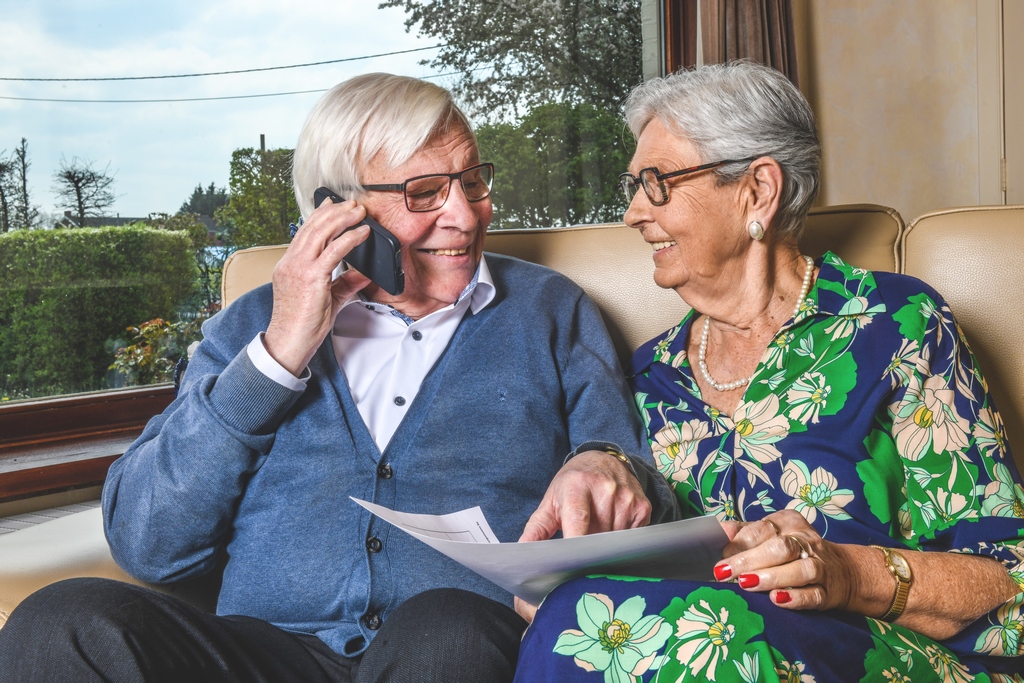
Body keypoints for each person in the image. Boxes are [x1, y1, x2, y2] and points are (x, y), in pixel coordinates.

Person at [0, 73, 677, 683]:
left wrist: (605, 462)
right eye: (425, 193)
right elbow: (150, 542)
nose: (466, 215)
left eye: (473, 181)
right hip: (264, 652)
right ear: (339, 211)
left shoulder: (550, 311)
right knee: (58, 620)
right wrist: (277, 355)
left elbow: (630, 471)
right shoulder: (250, 327)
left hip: (457, 646)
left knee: (445, 626)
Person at [514, 61, 1024, 681]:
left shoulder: (896, 325)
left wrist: (846, 572)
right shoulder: (650, 376)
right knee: (575, 613)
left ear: (757, 190)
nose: (633, 214)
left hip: (888, 656)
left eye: (656, 183)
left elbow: (1011, 580)